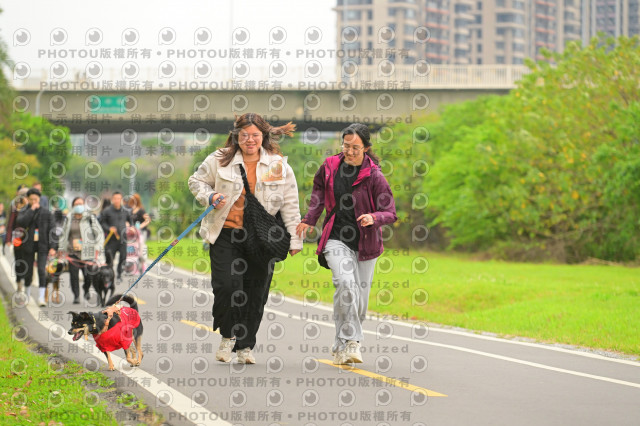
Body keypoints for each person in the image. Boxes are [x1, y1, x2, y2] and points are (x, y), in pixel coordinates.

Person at [188, 112, 303, 364]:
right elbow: (196, 181)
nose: (250, 140)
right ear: (236, 136)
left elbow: (290, 204)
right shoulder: (220, 159)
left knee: (256, 292)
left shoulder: (277, 165)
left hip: (262, 239)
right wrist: (209, 196)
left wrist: (295, 240)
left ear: (263, 136)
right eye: (244, 135)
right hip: (226, 234)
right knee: (226, 286)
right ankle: (228, 335)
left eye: (255, 135)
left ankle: (245, 346)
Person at [296, 123, 397, 365]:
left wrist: (374, 217)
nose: (349, 151)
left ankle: (340, 343)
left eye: (355, 148)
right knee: (345, 284)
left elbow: (390, 212)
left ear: (366, 148)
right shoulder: (330, 166)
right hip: (336, 237)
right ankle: (352, 342)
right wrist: (310, 219)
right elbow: (318, 194)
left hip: (366, 244)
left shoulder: (375, 176)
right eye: (346, 146)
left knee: (359, 300)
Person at [58, 197, 106, 304]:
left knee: (88, 275)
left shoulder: (89, 218)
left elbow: (99, 233)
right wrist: (61, 248)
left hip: (88, 251)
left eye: (80, 204)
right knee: (73, 275)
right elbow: (63, 235)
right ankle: (76, 295)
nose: (79, 206)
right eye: (76, 204)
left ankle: (86, 289)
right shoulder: (69, 218)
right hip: (72, 252)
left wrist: (98, 247)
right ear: (73, 206)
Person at [16, 188, 58, 306]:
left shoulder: (46, 212)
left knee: (41, 270)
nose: (34, 201)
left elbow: (53, 230)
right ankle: (27, 296)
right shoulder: (25, 210)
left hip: (43, 245)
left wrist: (53, 247)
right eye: (31, 199)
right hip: (28, 245)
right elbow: (21, 222)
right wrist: (31, 210)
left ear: (39, 199)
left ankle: (41, 297)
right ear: (28, 199)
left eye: (36, 199)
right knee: (28, 271)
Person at [98, 192, 132, 283]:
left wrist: (130, 226)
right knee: (109, 258)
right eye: (115, 198)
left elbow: (131, 221)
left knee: (123, 258)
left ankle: (119, 274)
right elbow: (101, 223)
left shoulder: (126, 211)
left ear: (121, 200)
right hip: (111, 240)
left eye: (119, 198)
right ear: (112, 199)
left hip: (122, 239)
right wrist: (109, 228)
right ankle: (109, 275)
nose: (117, 200)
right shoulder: (107, 211)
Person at [6, 186, 29, 290]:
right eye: (23, 196)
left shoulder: (31, 208)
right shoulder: (15, 208)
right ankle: (19, 280)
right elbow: (10, 224)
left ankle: (24, 279)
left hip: (28, 238)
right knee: (18, 260)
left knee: (27, 260)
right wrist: (8, 239)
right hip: (17, 238)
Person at [127, 193, 151, 270]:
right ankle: (131, 264)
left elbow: (148, 220)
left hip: (141, 232)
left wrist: (140, 226)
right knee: (131, 248)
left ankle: (143, 262)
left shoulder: (141, 210)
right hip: (131, 233)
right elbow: (126, 220)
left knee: (141, 247)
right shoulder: (129, 210)